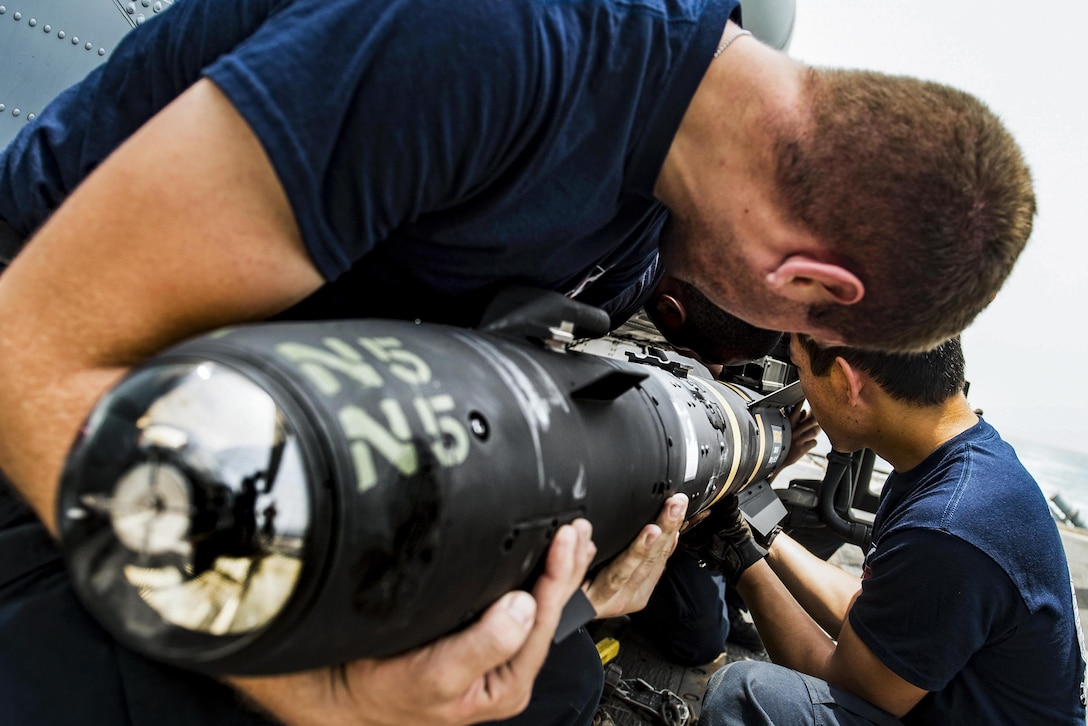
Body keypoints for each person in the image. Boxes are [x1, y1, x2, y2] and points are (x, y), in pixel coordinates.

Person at [0, 0, 1036, 724]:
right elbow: (30, 343)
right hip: (73, 370)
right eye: (807, 342)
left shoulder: (642, 213)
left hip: (272, 401)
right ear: (815, 283)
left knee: (539, 684)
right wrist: (318, 698)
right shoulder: (494, 38)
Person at [699, 334, 1087, 724]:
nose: (801, 395)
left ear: (843, 381)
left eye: (799, 371)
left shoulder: (948, 526)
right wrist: (763, 538)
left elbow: (847, 682)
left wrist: (742, 562)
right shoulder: (959, 464)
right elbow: (877, 608)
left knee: (747, 696)